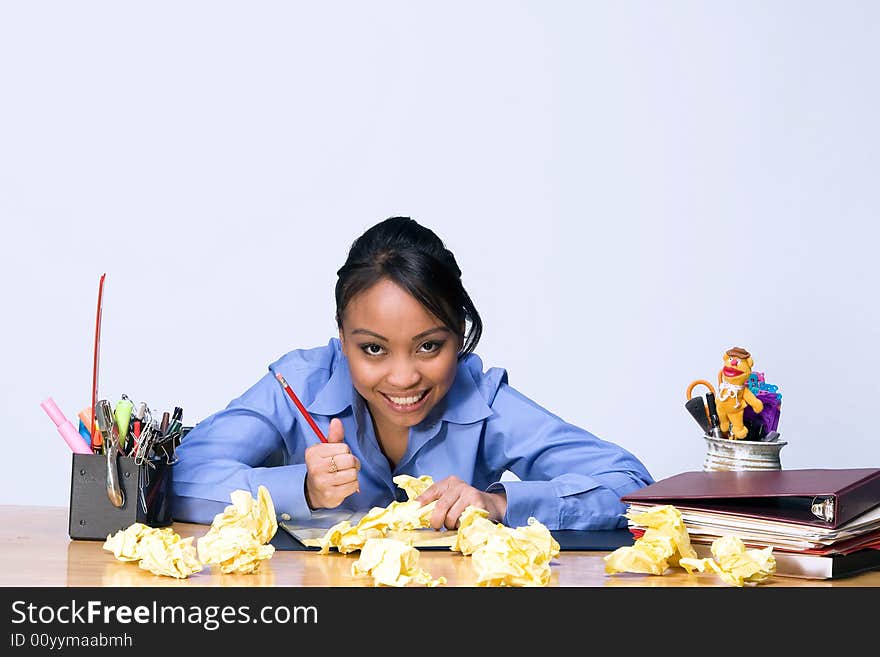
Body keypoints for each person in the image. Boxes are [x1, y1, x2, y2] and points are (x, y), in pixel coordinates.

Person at [171, 217, 654, 530]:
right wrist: (303, 489)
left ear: (460, 334)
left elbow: (633, 487)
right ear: (341, 336)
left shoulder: (482, 402)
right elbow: (176, 478)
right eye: (373, 349)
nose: (403, 379)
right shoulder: (295, 384)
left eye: (428, 346)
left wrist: (500, 504)